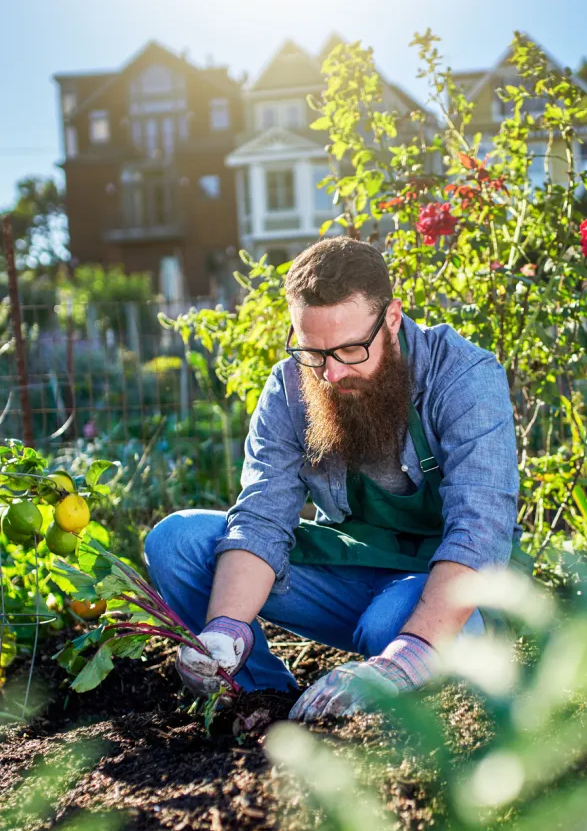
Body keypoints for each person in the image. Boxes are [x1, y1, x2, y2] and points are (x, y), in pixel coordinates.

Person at [143, 236, 524, 721]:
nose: (330, 374)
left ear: (391, 318)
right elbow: (261, 518)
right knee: (178, 542)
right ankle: (257, 700)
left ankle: (406, 687)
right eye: (313, 353)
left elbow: (481, 531)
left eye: (349, 350)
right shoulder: (290, 389)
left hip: (442, 589)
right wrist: (224, 628)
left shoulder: (462, 377)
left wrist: (406, 656)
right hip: (352, 570)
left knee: (389, 623)